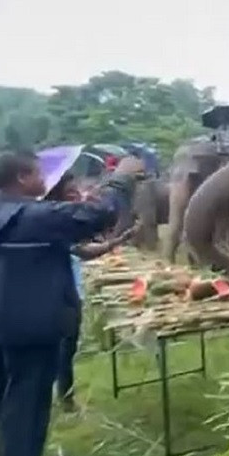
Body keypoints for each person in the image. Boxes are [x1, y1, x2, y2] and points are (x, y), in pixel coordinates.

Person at [0, 150, 142, 456]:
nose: (44, 180)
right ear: (21, 179)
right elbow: (99, 214)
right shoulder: (33, 216)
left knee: (1, 389)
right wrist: (121, 178)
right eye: (38, 173)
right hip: (34, 320)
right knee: (29, 392)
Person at [44, 171, 137, 412]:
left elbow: (81, 250)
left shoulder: (60, 217)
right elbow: (87, 243)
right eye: (71, 189)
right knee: (62, 345)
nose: (77, 192)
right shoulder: (54, 218)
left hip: (68, 287)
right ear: (57, 191)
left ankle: (61, 393)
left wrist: (114, 243)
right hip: (57, 290)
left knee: (67, 345)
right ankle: (63, 397)